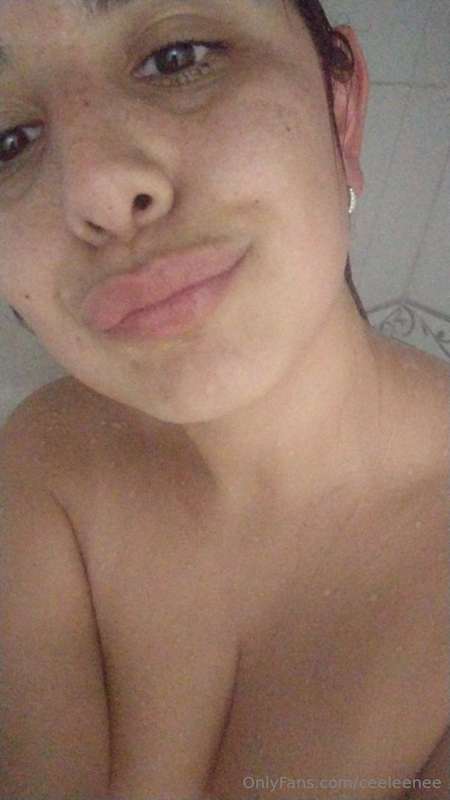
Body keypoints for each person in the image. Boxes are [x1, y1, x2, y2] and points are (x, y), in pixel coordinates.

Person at [0, 0, 448, 798]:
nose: (98, 191)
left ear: (341, 107)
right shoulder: (43, 459)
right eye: (7, 143)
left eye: (177, 58)